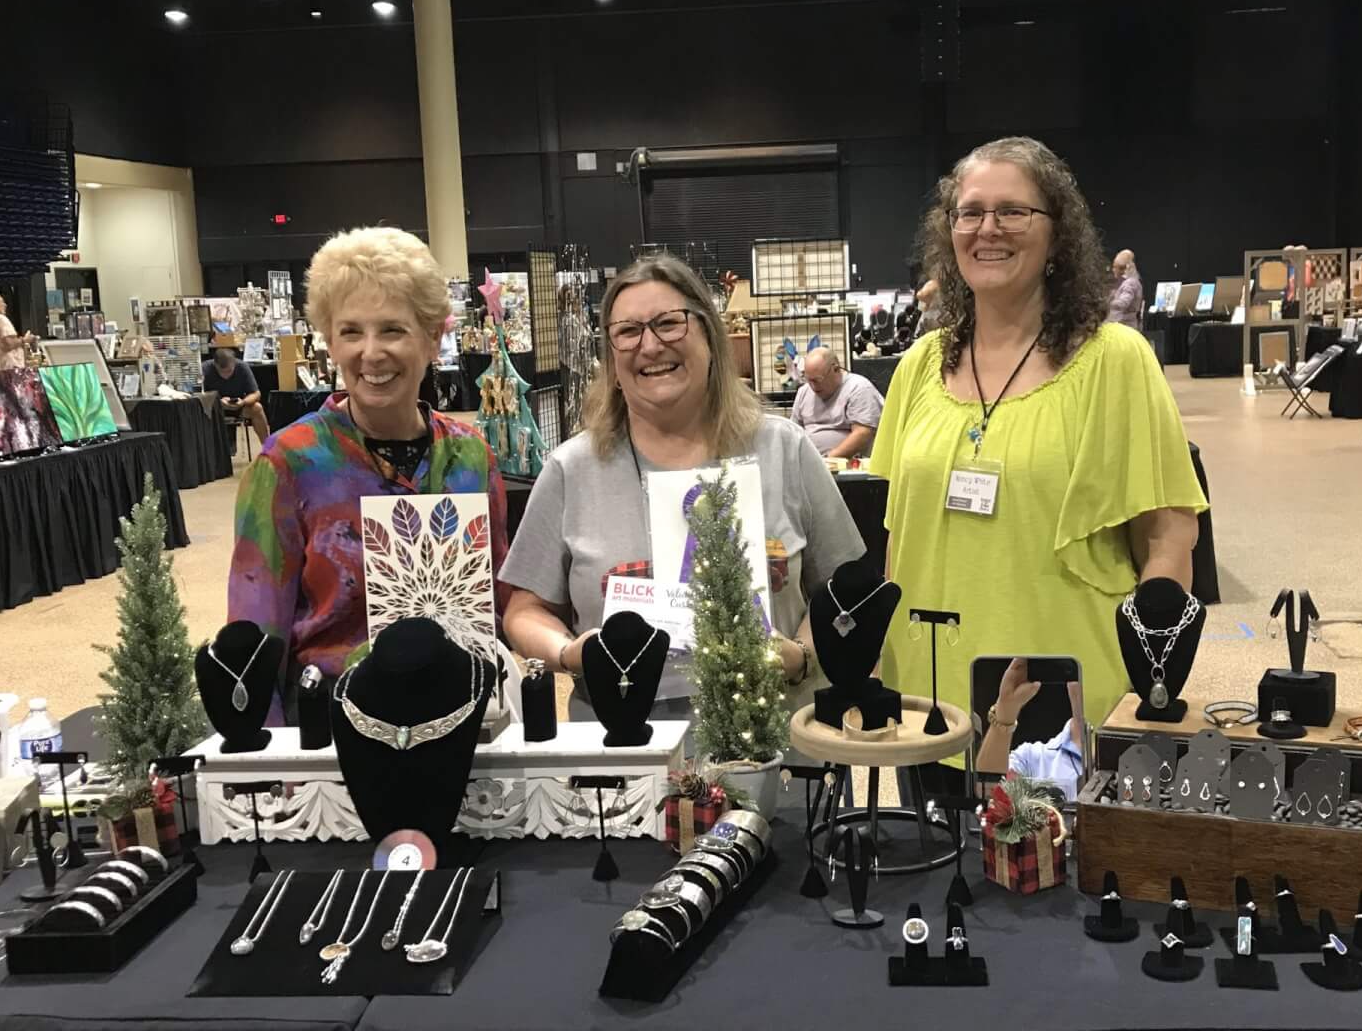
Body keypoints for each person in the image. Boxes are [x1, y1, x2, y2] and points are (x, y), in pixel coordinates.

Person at [869, 136, 1208, 774]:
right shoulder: (918, 367)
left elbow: (1167, 536)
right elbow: (895, 537)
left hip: (1063, 706)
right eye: (969, 212)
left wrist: (1155, 673)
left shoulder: (1114, 360)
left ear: (1057, 233)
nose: (987, 229)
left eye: (1013, 211)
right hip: (927, 696)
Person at [500, 255, 867, 718]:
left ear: (709, 336)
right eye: (628, 332)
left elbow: (845, 591)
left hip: (774, 738)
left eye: (669, 324)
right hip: (619, 747)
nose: (650, 346)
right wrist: (572, 654)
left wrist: (800, 656)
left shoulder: (784, 449)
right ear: (611, 356)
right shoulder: (571, 469)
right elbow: (524, 611)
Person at [228, 227, 507, 719]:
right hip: (332, 735)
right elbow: (255, 639)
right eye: (351, 331)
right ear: (330, 343)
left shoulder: (471, 458)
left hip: (463, 728)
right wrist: (279, 774)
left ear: (432, 338)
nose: (371, 353)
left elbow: (497, 605)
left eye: (393, 330)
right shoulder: (288, 463)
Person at [977, 658, 1086, 792]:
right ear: (1069, 684)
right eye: (1079, 670)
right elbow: (988, 792)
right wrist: (1005, 712)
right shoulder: (1031, 760)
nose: (1087, 677)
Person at [791, 347, 883, 459]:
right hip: (810, 464)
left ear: (835, 369)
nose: (813, 386)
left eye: (818, 380)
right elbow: (793, 432)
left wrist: (827, 460)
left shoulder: (859, 388)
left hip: (849, 466)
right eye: (809, 380)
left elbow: (862, 434)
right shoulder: (804, 392)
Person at [204, 345, 269, 444]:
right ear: (215, 365)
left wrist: (243, 402)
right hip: (213, 409)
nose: (226, 375)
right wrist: (216, 401)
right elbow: (196, 395)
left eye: (229, 371)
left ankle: (267, 447)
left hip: (238, 407)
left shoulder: (242, 367)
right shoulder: (204, 368)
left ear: (234, 363)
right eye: (222, 372)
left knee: (257, 408)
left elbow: (256, 393)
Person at [1107, 249, 1144, 330]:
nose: (1113, 270)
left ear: (1123, 268)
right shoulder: (1130, 282)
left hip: (1125, 327)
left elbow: (1123, 303)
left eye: (1115, 267)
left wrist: (1106, 303)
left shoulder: (1130, 283)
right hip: (1124, 326)